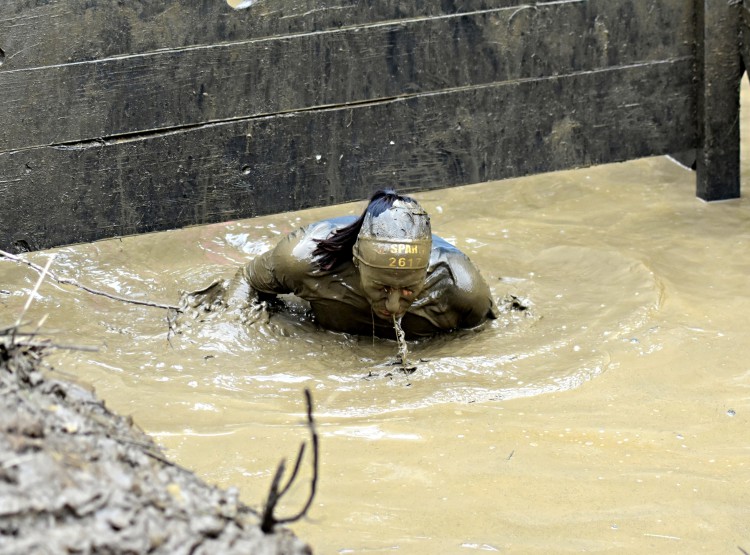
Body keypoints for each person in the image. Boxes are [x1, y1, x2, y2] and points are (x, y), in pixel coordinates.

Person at [185, 190, 497, 339]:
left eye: (407, 290)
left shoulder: (462, 290)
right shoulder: (303, 259)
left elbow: (479, 337)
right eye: (382, 287)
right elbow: (249, 279)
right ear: (357, 262)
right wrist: (233, 326)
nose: (392, 303)